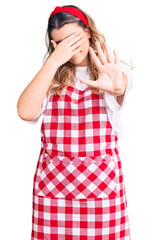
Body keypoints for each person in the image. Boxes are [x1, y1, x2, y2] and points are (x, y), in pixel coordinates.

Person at [17, 4, 134, 240]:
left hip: (100, 195)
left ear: (88, 32)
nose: (68, 48)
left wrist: (116, 86)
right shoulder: (51, 78)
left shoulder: (111, 70)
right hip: (54, 195)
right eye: (59, 43)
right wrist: (53, 62)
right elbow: (25, 112)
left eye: (73, 38)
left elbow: (120, 85)